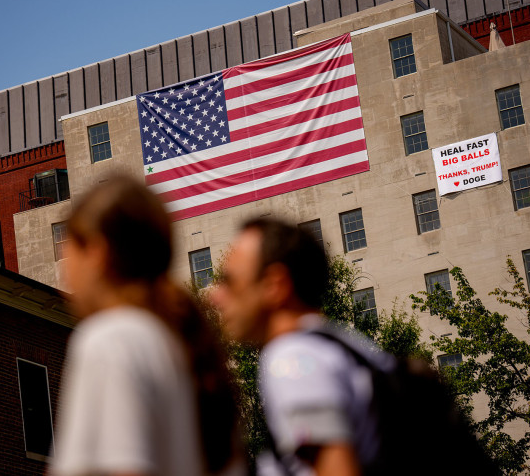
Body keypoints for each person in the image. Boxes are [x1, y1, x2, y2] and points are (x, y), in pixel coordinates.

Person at [49, 176, 242, 476]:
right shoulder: (176, 344)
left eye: (67, 246)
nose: (64, 267)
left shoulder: (110, 340)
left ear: (97, 252)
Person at [212, 218, 394, 476]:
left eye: (230, 282)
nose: (214, 297)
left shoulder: (293, 360)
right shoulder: (343, 344)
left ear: (275, 285)